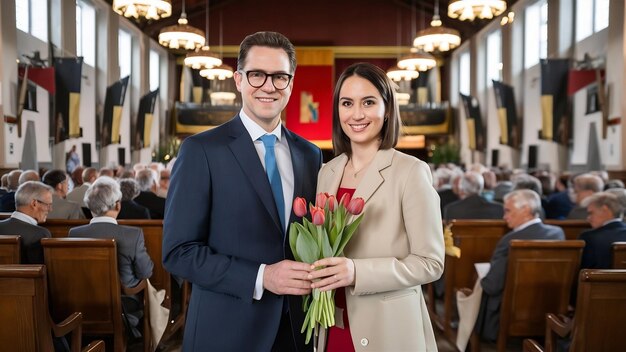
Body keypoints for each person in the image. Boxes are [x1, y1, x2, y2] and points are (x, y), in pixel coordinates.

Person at [163, 31, 323, 351]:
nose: (268, 86)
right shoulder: (201, 150)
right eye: (256, 75)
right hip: (226, 329)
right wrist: (263, 277)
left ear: (291, 83)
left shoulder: (310, 154)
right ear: (238, 80)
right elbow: (178, 252)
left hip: (296, 330)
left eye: (279, 77)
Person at [309, 62, 444, 351]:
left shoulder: (410, 171)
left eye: (368, 102)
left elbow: (430, 263)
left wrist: (356, 272)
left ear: (387, 109)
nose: (357, 114)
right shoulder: (327, 172)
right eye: (347, 103)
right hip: (333, 323)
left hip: (388, 327)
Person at [475, 189, 565, 341]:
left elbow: (492, 285)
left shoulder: (510, 240)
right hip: (547, 312)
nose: (504, 216)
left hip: (509, 317)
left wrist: (483, 278)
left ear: (526, 210)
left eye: (508, 211)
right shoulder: (557, 233)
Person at [69, 176, 153, 338]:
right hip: (122, 304)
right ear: (117, 204)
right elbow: (146, 273)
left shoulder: (74, 233)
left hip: (82, 302)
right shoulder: (132, 235)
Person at [0, 181, 53, 263]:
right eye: (48, 205)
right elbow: (41, 273)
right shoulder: (40, 234)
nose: (50, 209)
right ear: (34, 204)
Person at [578, 191, 626, 269]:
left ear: (605, 209)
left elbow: (581, 272)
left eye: (591, 213)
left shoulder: (588, 238)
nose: (588, 219)